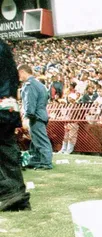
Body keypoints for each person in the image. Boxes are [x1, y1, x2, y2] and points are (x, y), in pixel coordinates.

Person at [0, 40, 30, 211]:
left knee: (6, 151)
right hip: (8, 107)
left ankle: (10, 193)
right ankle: (17, 197)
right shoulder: (4, 48)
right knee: (7, 151)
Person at [18, 65, 52, 171]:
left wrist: (27, 117)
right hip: (40, 114)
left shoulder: (29, 85)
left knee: (41, 140)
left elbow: (30, 102)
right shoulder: (39, 84)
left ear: (22, 72)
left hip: (35, 116)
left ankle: (46, 162)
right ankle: (36, 160)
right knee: (36, 140)